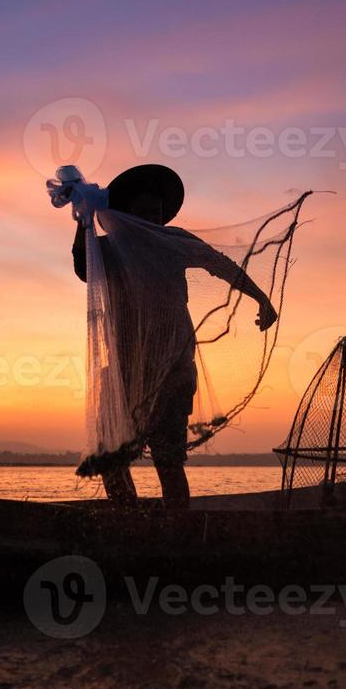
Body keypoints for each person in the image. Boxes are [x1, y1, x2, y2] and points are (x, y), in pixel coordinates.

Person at [70, 164, 278, 510]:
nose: (154, 218)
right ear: (127, 214)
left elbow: (220, 264)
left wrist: (261, 298)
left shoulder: (173, 241)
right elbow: (82, 267)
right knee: (112, 461)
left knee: (168, 460)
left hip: (172, 370)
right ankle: (127, 521)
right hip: (123, 370)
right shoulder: (110, 249)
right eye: (145, 211)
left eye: (158, 212)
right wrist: (83, 219)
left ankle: (177, 528)